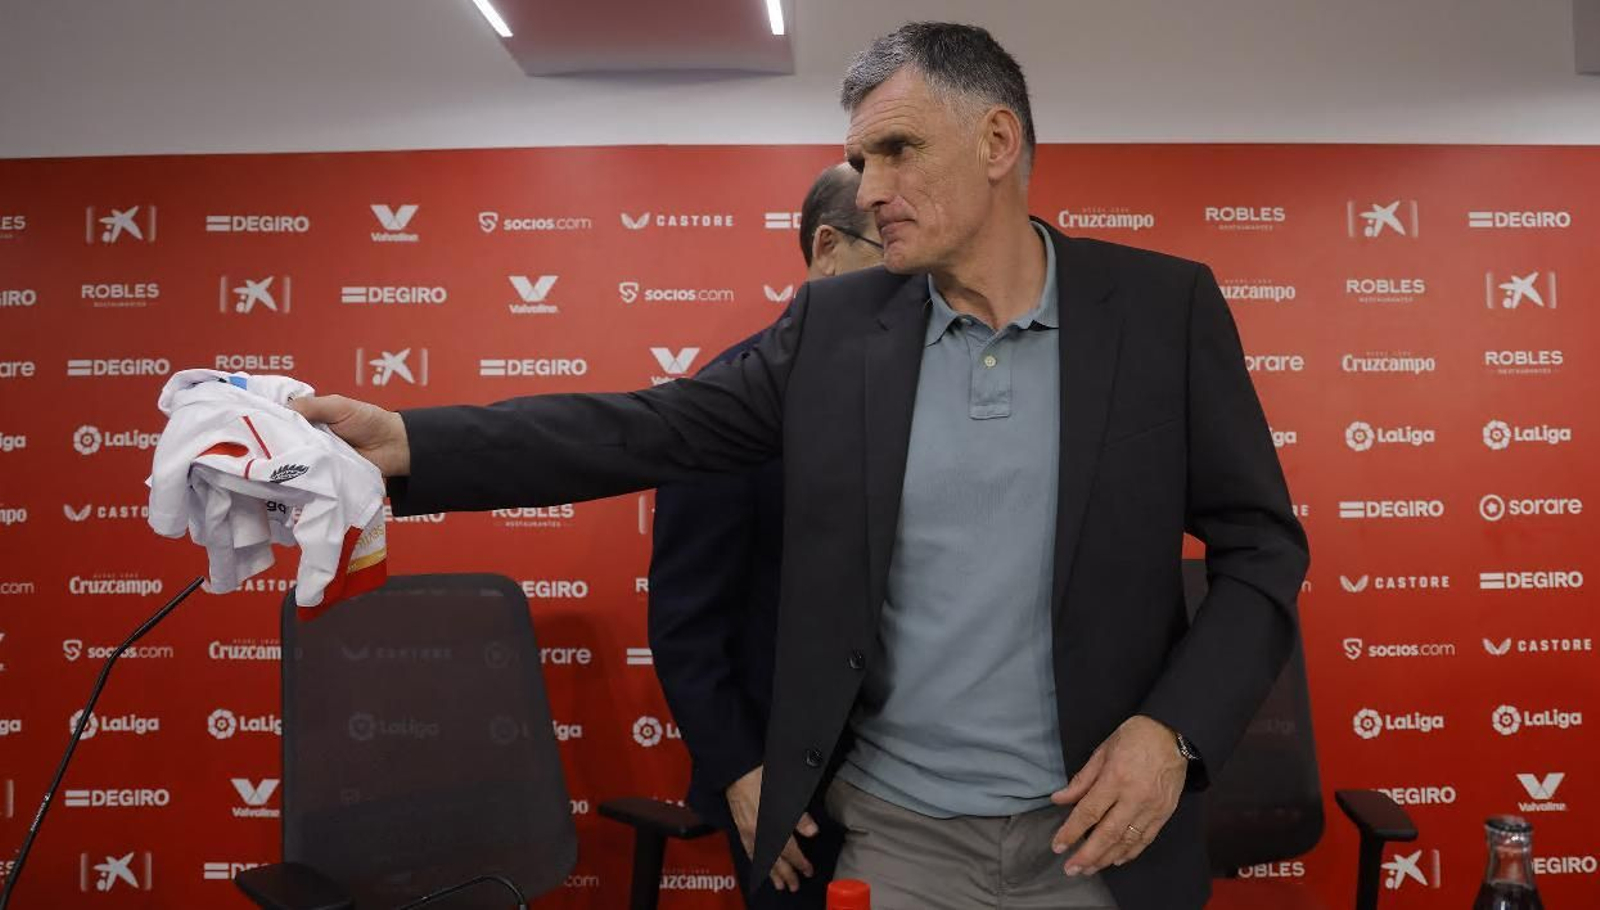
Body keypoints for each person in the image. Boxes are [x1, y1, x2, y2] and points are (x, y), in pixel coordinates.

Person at [291, 22, 1308, 910]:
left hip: (1104, 838)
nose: (870, 193)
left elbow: (1260, 547)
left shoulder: (1163, 310)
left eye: (897, 152)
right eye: (859, 161)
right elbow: (646, 429)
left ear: (999, 141)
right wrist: (409, 442)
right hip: (899, 838)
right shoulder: (835, 325)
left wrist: (1172, 734)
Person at [648, 162, 882, 908]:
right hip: (789, 793)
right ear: (827, 249)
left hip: (921, 785)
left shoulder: (925, 396)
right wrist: (744, 776)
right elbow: (687, 623)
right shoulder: (729, 402)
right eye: (894, 253)